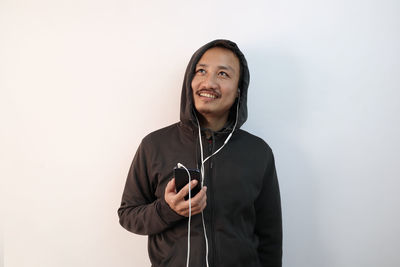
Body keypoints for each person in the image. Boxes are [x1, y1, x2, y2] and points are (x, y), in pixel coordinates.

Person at [118, 39, 282, 267]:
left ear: (238, 91)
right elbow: (128, 215)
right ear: (190, 81)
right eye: (201, 71)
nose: (209, 82)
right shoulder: (154, 145)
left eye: (223, 74)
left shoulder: (259, 153)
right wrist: (168, 210)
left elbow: (270, 237)